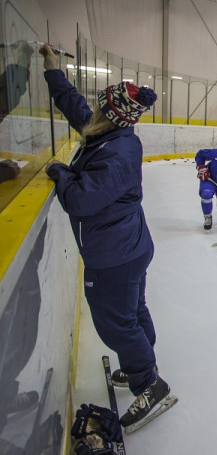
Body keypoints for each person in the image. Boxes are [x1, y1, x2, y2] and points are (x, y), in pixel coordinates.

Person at [39, 43, 176, 431]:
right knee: (132, 312)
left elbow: (82, 200)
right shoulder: (108, 131)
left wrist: (60, 172)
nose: (92, 110)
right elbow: (77, 109)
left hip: (114, 255)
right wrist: (53, 71)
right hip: (128, 247)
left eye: (100, 106)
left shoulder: (118, 151)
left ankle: (149, 384)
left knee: (115, 323)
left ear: (110, 114)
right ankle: (143, 365)